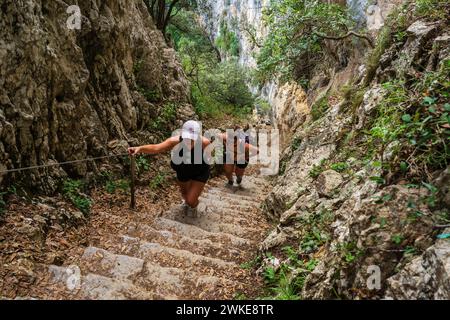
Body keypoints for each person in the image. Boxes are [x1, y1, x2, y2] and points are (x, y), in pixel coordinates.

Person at [128, 120, 211, 216]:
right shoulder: (174, 141)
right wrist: (139, 148)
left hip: (199, 171)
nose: (189, 141)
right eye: (186, 137)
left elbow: (208, 159)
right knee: (184, 194)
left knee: (191, 200)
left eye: (192, 138)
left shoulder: (204, 143)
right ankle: (187, 204)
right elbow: (156, 148)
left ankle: (194, 206)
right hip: (183, 169)